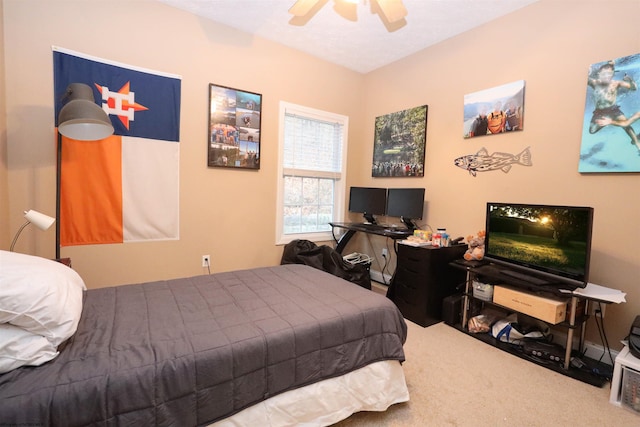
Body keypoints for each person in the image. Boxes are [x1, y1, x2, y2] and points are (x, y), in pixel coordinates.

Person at [588, 61, 639, 152]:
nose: (607, 76)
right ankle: (609, 122)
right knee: (592, 131)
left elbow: (633, 88)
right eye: (604, 74)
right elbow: (586, 78)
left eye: (609, 74)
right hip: (599, 112)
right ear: (599, 74)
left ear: (612, 74)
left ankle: (636, 142)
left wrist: (630, 80)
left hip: (613, 110)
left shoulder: (616, 83)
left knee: (626, 125)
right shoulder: (594, 83)